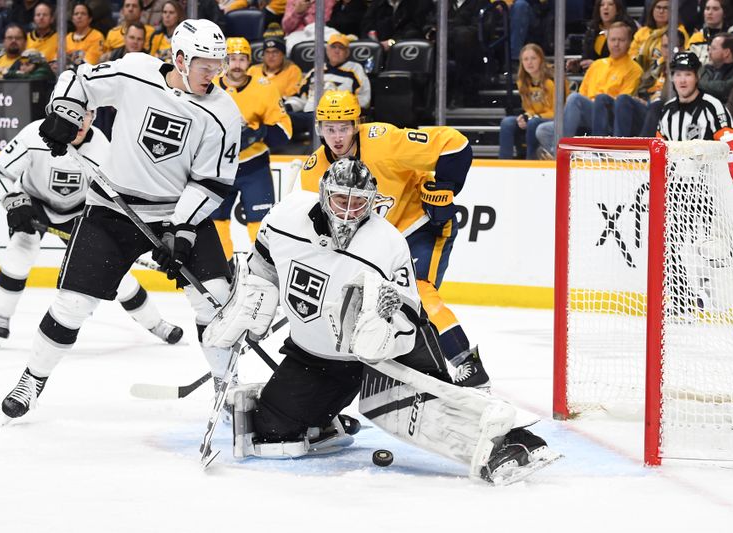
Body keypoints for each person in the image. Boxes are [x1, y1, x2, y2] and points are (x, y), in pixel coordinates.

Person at [202, 157, 558, 484]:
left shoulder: (386, 243)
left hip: (388, 348)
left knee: (430, 405)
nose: (349, 211)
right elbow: (262, 264)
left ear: (372, 202)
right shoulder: (284, 218)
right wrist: (250, 303)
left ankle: (513, 441)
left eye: (359, 202)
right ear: (324, 194)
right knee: (271, 431)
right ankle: (326, 419)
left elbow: (408, 316)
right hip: (320, 356)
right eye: (342, 199)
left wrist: (380, 330)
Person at [0, 19, 242, 420]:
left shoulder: (223, 113)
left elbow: (210, 182)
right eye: (205, 64)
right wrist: (65, 112)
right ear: (180, 59)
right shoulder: (136, 71)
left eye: (218, 64)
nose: (214, 73)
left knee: (212, 299)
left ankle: (226, 385)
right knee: (72, 303)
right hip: (112, 210)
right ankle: (32, 378)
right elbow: (78, 80)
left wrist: (181, 232)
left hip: (177, 213)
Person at [299, 90, 491, 389]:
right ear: (319, 128)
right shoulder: (314, 172)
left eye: (344, 128)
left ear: (357, 124)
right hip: (377, 243)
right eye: (329, 128)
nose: (337, 137)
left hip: (420, 225)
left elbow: (456, 145)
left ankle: (466, 363)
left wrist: (445, 187)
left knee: (418, 291)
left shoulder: (384, 141)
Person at [0, 112, 183, 349]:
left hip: (80, 211)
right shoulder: (33, 135)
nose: (79, 120)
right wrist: (13, 200)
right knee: (22, 247)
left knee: (112, 271)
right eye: (72, 114)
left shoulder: (102, 149)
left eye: (86, 114)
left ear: (94, 116)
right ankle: (1, 315)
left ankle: (155, 323)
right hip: (34, 204)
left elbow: (114, 198)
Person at [211, 37, 293, 254]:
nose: (237, 64)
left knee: (262, 227)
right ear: (223, 61)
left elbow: (285, 132)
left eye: (242, 59)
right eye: (231, 59)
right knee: (214, 223)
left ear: (249, 62)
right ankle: (223, 275)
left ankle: (261, 278)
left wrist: (257, 134)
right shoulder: (209, 86)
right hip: (217, 167)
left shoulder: (265, 89)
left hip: (253, 167)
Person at [658, 51, 733, 192]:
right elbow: (660, 151)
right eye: (678, 74)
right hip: (676, 187)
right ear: (672, 78)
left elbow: (730, 143)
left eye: (688, 74)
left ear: (697, 77)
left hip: (710, 188)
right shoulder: (667, 111)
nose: (682, 80)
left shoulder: (713, 106)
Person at [560, 22, 643, 139]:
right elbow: (583, 94)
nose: (616, 44)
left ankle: (561, 148)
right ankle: (558, 148)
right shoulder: (596, 65)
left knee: (577, 99)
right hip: (589, 113)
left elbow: (622, 103)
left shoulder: (634, 69)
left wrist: (596, 102)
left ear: (629, 42)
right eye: (613, 39)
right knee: (542, 129)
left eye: (621, 40)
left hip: (611, 117)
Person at [284, 33, 371, 138]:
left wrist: (343, 109)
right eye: (333, 47)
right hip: (309, 114)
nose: (336, 50)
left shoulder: (355, 69)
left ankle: (319, 153)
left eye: (341, 48)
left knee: (317, 121)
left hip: (337, 117)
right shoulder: (315, 71)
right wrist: (287, 106)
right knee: (280, 118)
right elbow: (302, 98)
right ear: (327, 50)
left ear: (347, 52)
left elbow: (364, 99)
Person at [499, 44, 567, 160]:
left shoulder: (553, 79)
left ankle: (530, 160)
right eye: (526, 59)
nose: (529, 62)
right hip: (536, 117)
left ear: (541, 59)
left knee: (533, 123)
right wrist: (525, 116)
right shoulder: (522, 81)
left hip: (555, 118)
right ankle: (504, 162)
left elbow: (559, 110)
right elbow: (528, 107)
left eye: (533, 58)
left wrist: (534, 117)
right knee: (507, 122)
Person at [612, 30, 679, 137]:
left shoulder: (682, 72)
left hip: (664, 112)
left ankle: (643, 147)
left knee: (656, 105)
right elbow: (642, 88)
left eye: (670, 47)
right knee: (623, 99)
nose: (667, 51)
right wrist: (639, 99)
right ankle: (618, 145)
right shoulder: (656, 66)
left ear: (680, 48)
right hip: (647, 109)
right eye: (664, 46)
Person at [569, 0, 638, 73]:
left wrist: (597, 65)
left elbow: (622, 59)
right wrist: (578, 65)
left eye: (610, 4)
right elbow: (587, 58)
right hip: (594, 75)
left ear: (618, 9)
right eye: (602, 5)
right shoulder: (592, 29)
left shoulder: (626, 29)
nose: (605, 7)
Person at [630, 0, 689, 72]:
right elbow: (631, 53)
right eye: (658, 7)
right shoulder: (642, 31)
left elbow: (682, 53)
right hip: (639, 72)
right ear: (652, 10)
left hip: (665, 71)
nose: (661, 11)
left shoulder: (678, 32)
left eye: (666, 8)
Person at [699, 33, 733, 102]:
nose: (709, 52)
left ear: (726, 52)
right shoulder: (707, 68)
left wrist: (695, 83)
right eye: (709, 48)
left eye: (713, 49)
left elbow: (726, 88)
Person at [686, 0, 733, 65]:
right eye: (707, 9)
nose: (710, 12)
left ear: (724, 13)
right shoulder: (697, 37)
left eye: (715, 9)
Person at [65, 1, 105, 67]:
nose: (79, 16)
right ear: (72, 19)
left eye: (83, 14)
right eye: (76, 14)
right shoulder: (67, 38)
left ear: (90, 19)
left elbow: (91, 62)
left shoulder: (97, 36)